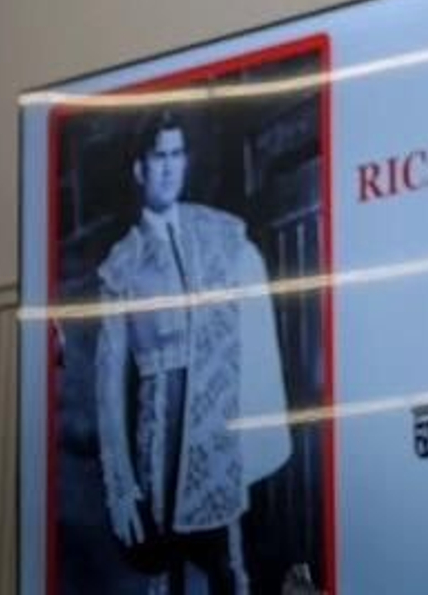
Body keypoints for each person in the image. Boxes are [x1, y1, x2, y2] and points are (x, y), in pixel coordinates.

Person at [95, 109, 292, 594]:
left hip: (216, 433)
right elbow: (108, 385)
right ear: (139, 169)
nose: (169, 167)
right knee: (167, 572)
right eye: (158, 156)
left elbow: (250, 322)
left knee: (229, 565)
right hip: (158, 438)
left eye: (177, 155)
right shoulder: (122, 266)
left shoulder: (222, 235)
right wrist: (120, 483)